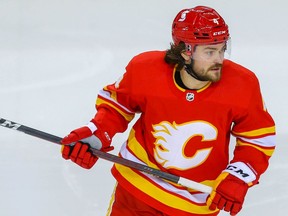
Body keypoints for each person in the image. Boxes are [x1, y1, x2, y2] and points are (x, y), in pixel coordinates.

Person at [61, 5, 276, 216]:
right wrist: (98, 133)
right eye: (210, 52)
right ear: (184, 51)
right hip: (138, 187)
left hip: (194, 203)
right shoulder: (145, 69)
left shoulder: (242, 85)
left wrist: (237, 177)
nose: (219, 59)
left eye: (222, 49)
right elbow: (118, 106)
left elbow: (257, 140)